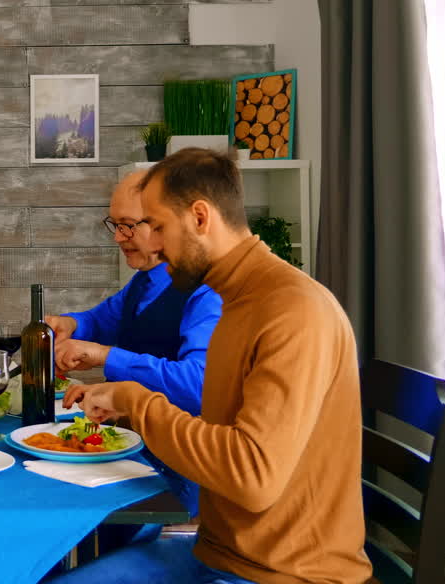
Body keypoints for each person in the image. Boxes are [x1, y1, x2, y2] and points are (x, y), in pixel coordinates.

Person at [55, 149, 371, 584]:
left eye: (158, 227)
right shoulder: (234, 298)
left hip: (282, 573)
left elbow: (252, 476)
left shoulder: (293, 310)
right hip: (218, 552)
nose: (154, 245)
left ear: (200, 218)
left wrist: (136, 400)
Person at [45, 170, 221, 540]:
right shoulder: (146, 279)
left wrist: (106, 357)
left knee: (63, 518)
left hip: (176, 471)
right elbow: (103, 318)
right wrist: (70, 324)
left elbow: (198, 384)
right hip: (132, 446)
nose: (118, 237)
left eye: (129, 226)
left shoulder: (207, 292)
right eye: (115, 224)